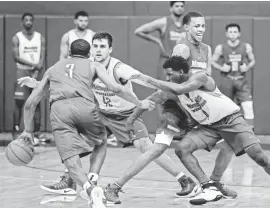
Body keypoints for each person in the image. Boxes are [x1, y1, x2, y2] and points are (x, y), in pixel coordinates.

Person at [18, 32, 199, 201]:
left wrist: (170, 89)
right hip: (102, 113)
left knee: (147, 147)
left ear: (110, 49)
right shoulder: (89, 66)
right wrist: (36, 83)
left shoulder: (118, 68)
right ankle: (69, 180)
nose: (98, 49)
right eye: (95, 46)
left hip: (125, 115)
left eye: (102, 46)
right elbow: (65, 83)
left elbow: (142, 78)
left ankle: (184, 180)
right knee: (79, 139)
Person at [105, 55, 270, 205]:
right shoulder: (171, 91)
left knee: (259, 157)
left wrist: (147, 79)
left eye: (170, 74)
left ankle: (215, 183)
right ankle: (209, 186)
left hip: (231, 119)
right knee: (182, 149)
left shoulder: (200, 77)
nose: (167, 77)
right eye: (166, 75)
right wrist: (131, 120)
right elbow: (150, 100)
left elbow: (180, 89)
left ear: (182, 72)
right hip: (208, 126)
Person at [211, 23, 256, 124]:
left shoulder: (246, 47)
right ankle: (223, 135)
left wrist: (247, 67)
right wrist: (221, 67)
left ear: (239, 33)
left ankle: (250, 135)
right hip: (227, 81)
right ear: (226, 34)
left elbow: (253, 60)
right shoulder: (221, 47)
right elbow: (212, 61)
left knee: (248, 107)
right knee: (225, 109)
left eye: (235, 32)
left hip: (241, 81)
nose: (233, 34)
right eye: (230, 32)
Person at [12, 13, 45, 144]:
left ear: (33, 22)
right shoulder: (17, 37)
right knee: (19, 102)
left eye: (31, 20)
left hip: (36, 71)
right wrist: (33, 65)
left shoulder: (39, 37)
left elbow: (42, 56)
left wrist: (37, 70)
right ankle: (16, 131)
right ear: (22, 22)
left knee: (36, 101)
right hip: (22, 70)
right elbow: (16, 56)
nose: (28, 22)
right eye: (26, 20)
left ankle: (36, 133)